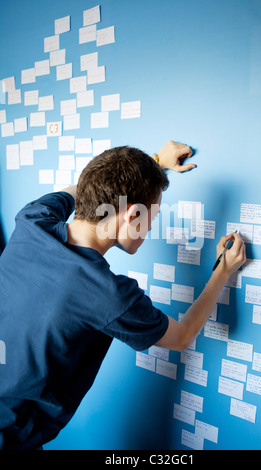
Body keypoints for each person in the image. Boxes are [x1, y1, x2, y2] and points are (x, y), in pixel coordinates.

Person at [0, 141, 245, 450]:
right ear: (131, 215)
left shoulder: (34, 219)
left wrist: (152, 164)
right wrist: (223, 269)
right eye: (152, 218)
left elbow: (87, 187)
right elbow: (182, 337)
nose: (150, 228)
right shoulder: (108, 295)